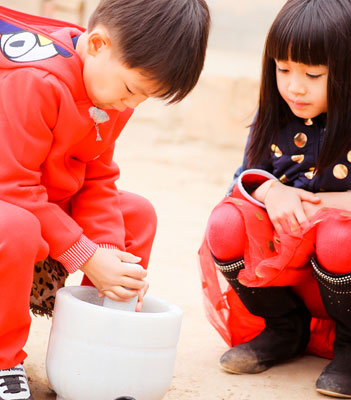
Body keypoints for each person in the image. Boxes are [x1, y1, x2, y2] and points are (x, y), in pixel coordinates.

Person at [0, 0, 210, 398]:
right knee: (17, 226)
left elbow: (96, 173)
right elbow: (13, 188)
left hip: (39, 204)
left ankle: (96, 347)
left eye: (145, 97)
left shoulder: (108, 91)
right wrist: (86, 254)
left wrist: (108, 249)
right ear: (97, 44)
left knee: (136, 214)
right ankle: (4, 360)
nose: (131, 105)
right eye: (133, 90)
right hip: (10, 203)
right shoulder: (36, 80)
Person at [198, 0, 351, 398]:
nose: (294, 87)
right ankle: (283, 329)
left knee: (339, 234)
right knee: (225, 222)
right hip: (288, 276)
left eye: (313, 74)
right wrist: (271, 190)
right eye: (283, 69)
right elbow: (241, 181)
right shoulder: (279, 108)